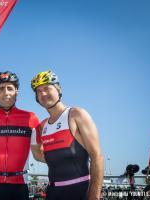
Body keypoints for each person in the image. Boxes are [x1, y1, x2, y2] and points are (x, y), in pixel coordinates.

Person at [31, 70, 104, 200]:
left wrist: (94, 196)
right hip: (53, 192)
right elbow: (39, 155)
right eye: (38, 91)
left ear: (58, 89)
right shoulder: (42, 126)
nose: (43, 93)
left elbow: (97, 156)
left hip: (80, 191)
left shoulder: (76, 114)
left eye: (47, 88)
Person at [0, 71, 44, 200]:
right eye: (1, 89)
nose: (6, 93)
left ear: (16, 91)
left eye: (10, 88)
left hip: (19, 186)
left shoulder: (31, 118)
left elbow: (39, 154)